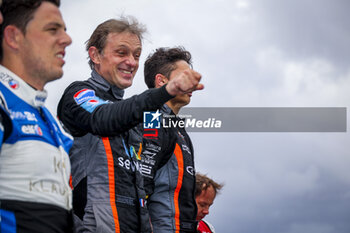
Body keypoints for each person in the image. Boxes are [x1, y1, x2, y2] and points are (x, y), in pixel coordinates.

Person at [57, 18, 203, 233]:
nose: (132, 62)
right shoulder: (79, 93)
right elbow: (103, 118)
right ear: (95, 55)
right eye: (121, 53)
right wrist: (164, 93)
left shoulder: (135, 114)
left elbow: (145, 184)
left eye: (136, 55)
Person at [0, 0, 73, 232]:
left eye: (64, 30)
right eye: (52, 29)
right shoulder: (3, 102)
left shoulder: (48, 117)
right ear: (13, 38)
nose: (66, 39)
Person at [133, 47, 199, 233]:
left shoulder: (178, 128)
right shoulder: (151, 118)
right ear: (162, 81)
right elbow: (142, 179)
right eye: (184, 77)